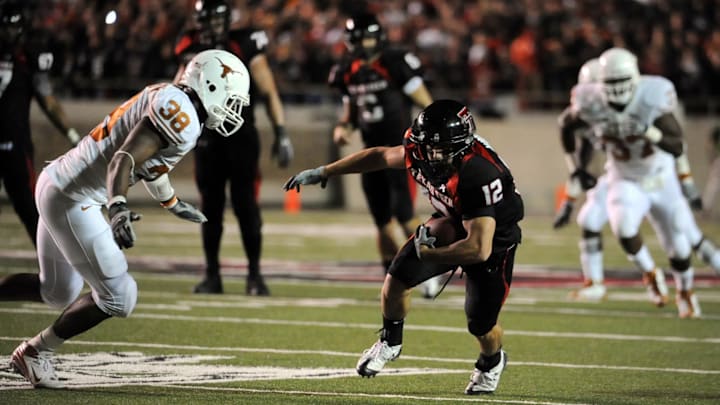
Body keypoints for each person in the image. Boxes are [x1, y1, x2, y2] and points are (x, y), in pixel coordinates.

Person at [0, 49, 251, 388]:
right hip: (73, 197)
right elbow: (124, 159)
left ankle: (33, 351)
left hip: (59, 181)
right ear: (210, 85)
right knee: (120, 296)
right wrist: (117, 206)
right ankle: (35, 352)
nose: (233, 111)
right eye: (232, 100)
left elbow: (149, 165)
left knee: (57, 291)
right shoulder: (182, 115)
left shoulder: (171, 97)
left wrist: (172, 202)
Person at [284, 100, 524, 394]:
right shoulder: (417, 148)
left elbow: (478, 248)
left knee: (481, 325)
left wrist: (433, 255)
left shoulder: (479, 173)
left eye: (445, 150)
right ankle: (390, 341)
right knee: (396, 279)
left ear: (463, 145)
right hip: (452, 219)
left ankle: (491, 361)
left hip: (494, 237)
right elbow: (381, 157)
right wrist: (325, 171)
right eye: (431, 149)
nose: (436, 157)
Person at [557, 47, 719, 318]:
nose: (616, 90)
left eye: (621, 82)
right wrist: (575, 170)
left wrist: (649, 132)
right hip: (625, 177)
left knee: (680, 243)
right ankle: (649, 274)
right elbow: (567, 127)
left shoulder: (652, 96)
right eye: (609, 83)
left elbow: (677, 145)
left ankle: (685, 291)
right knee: (622, 225)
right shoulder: (592, 103)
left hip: (660, 177)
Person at [175, 0, 293, 296]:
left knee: (246, 207)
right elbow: (178, 89)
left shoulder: (244, 43)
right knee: (210, 209)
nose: (211, 26)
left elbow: (267, 89)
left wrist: (281, 131)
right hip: (206, 138)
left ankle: (254, 275)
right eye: (206, 19)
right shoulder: (188, 45)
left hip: (241, 135)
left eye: (215, 19)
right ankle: (212, 275)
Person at [328, 12, 442, 298]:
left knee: (404, 215)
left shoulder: (394, 62)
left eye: (366, 37)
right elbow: (351, 113)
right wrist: (343, 127)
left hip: (400, 152)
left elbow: (427, 104)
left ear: (378, 37)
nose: (363, 44)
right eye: (357, 39)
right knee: (381, 221)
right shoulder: (346, 70)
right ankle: (392, 272)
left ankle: (429, 268)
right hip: (370, 153)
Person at [0, 1, 80, 245]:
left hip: (15, 141)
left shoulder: (30, 54)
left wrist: (73, 135)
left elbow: (48, 101)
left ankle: (53, 263)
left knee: (29, 206)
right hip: (14, 139)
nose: (9, 34)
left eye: (13, 28)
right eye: (5, 28)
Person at [703, 125, 720, 220]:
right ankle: (706, 209)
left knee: (712, 185)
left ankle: (706, 209)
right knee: (713, 185)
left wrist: (711, 157)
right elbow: (709, 144)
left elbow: (708, 144)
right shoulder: (717, 130)